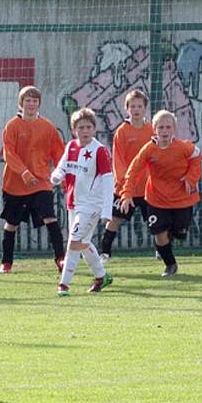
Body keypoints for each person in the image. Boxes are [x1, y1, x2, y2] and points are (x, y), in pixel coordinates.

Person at [119, 110, 201, 277]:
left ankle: (168, 239)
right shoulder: (148, 150)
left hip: (182, 199)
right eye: (161, 127)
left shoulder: (184, 147)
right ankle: (170, 265)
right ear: (154, 129)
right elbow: (133, 171)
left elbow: (196, 156)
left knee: (180, 233)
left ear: (174, 129)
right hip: (156, 199)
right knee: (159, 232)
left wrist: (190, 178)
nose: (164, 131)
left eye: (168, 127)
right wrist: (126, 193)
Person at [0, 85, 66, 274]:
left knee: (50, 217)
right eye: (28, 100)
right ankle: (6, 262)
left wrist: (62, 176)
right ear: (21, 103)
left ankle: (61, 258)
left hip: (40, 182)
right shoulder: (12, 125)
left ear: (39, 104)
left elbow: (59, 152)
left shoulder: (47, 126)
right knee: (11, 223)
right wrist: (24, 172)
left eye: (34, 101)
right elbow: (9, 153)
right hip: (15, 184)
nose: (31, 104)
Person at [51, 108, 114, 296]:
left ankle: (64, 284)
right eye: (81, 127)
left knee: (74, 241)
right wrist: (55, 176)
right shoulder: (70, 146)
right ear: (74, 130)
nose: (85, 131)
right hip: (73, 203)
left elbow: (108, 180)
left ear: (94, 129)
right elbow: (62, 167)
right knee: (83, 243)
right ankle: (102, 276)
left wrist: (106, 210)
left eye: (88, 127)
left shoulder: (99, 151)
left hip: (91, 205)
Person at [99, 89, 154, 262]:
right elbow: (118, 160)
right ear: (127, 109)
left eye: (139, 106)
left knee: (157, 220)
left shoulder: (152, 129)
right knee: (115, 219)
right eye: (132, 106)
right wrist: (124, 184)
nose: (136, 109)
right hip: (126, 188)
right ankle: (105, 252)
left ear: (145, 108)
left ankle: (162, 251)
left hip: (148, 187)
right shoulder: (122, 131)